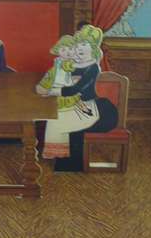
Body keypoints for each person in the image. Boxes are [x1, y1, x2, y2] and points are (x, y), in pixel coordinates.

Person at [41, 25, 104, 160]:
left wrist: (52, 91)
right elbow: (58, 78)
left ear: (93, 48)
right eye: (79, 44)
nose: (80, 47)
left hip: (85, 107)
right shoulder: (71, 64)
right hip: (69, 104)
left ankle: (62, 157)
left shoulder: (93, 68)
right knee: (52, 116)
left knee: (55, 122)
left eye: (85, 44)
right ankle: (60, 156)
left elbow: (75, 89)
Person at [35, 34, 81, 111]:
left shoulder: (75, 63)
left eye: (70, 49)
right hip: (55, 87)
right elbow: (51, 75)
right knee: (40, 90)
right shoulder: (57, 64)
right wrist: (44, 84)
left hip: (67, 89)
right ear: (58, 51)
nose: (67, 52)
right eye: (63, 50)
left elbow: (78, 77)